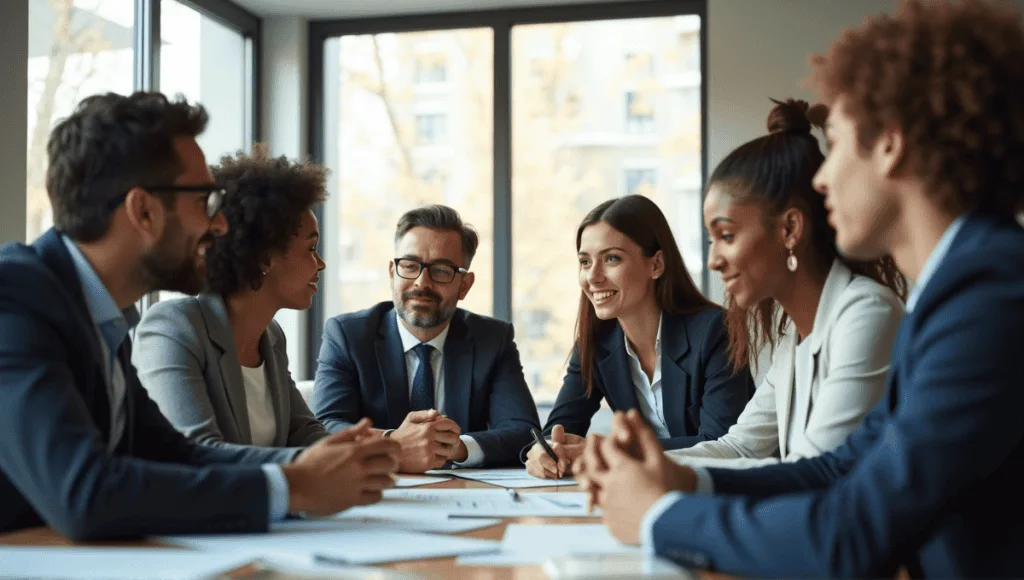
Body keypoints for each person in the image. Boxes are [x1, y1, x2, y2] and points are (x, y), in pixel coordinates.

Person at [575, 1, 1024, 576]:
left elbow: (850, 533)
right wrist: (684, 479)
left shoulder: (987, 295)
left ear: (889, 143)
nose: (820, 176)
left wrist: (659, 517)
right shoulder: (956, 290)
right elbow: (840, 469)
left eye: (834, 143)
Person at [0, 92, 399, 540]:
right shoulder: (14, 301)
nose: (221, 225)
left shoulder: (103, 318)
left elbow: (176, 455)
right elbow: (86, 494)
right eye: (204, 201)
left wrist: (321, 467)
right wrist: (294, 486)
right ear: (144, 211)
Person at [663, 98, 905, 470]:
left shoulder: (867, 313)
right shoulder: (793, 338)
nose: (713, 260)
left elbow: (814, 470)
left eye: (726, 235)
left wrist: (664, 474)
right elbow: (741, 447)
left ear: (789, 228)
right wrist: (637, 462)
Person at [525, 195, 755, 479]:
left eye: (611, 258)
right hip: (645, 489)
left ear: (656, 264)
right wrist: (547, 451)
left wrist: (609, 451)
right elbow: (561, 429)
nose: (593, 277)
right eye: (585, 262)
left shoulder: (716, 331)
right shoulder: (596, 342)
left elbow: (720, 443)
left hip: (716, 490)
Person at [133, 146, 330, 464]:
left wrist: (376, 450)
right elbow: (196, 452)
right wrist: (320, 464)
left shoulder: (271, 337)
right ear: (265, 257)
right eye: (311, 248)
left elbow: (305, 432)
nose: (320, 264)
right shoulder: (173, 328)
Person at [312, 205, 539, 471]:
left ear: (464, 285)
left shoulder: (492, 340)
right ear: (391, 273)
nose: (422, 282)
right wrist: (393, 443)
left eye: (441, 270)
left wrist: (459, 447)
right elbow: (325, 427)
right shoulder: (347, 335)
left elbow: (524, 432)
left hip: (464, 496)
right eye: (409, 265)